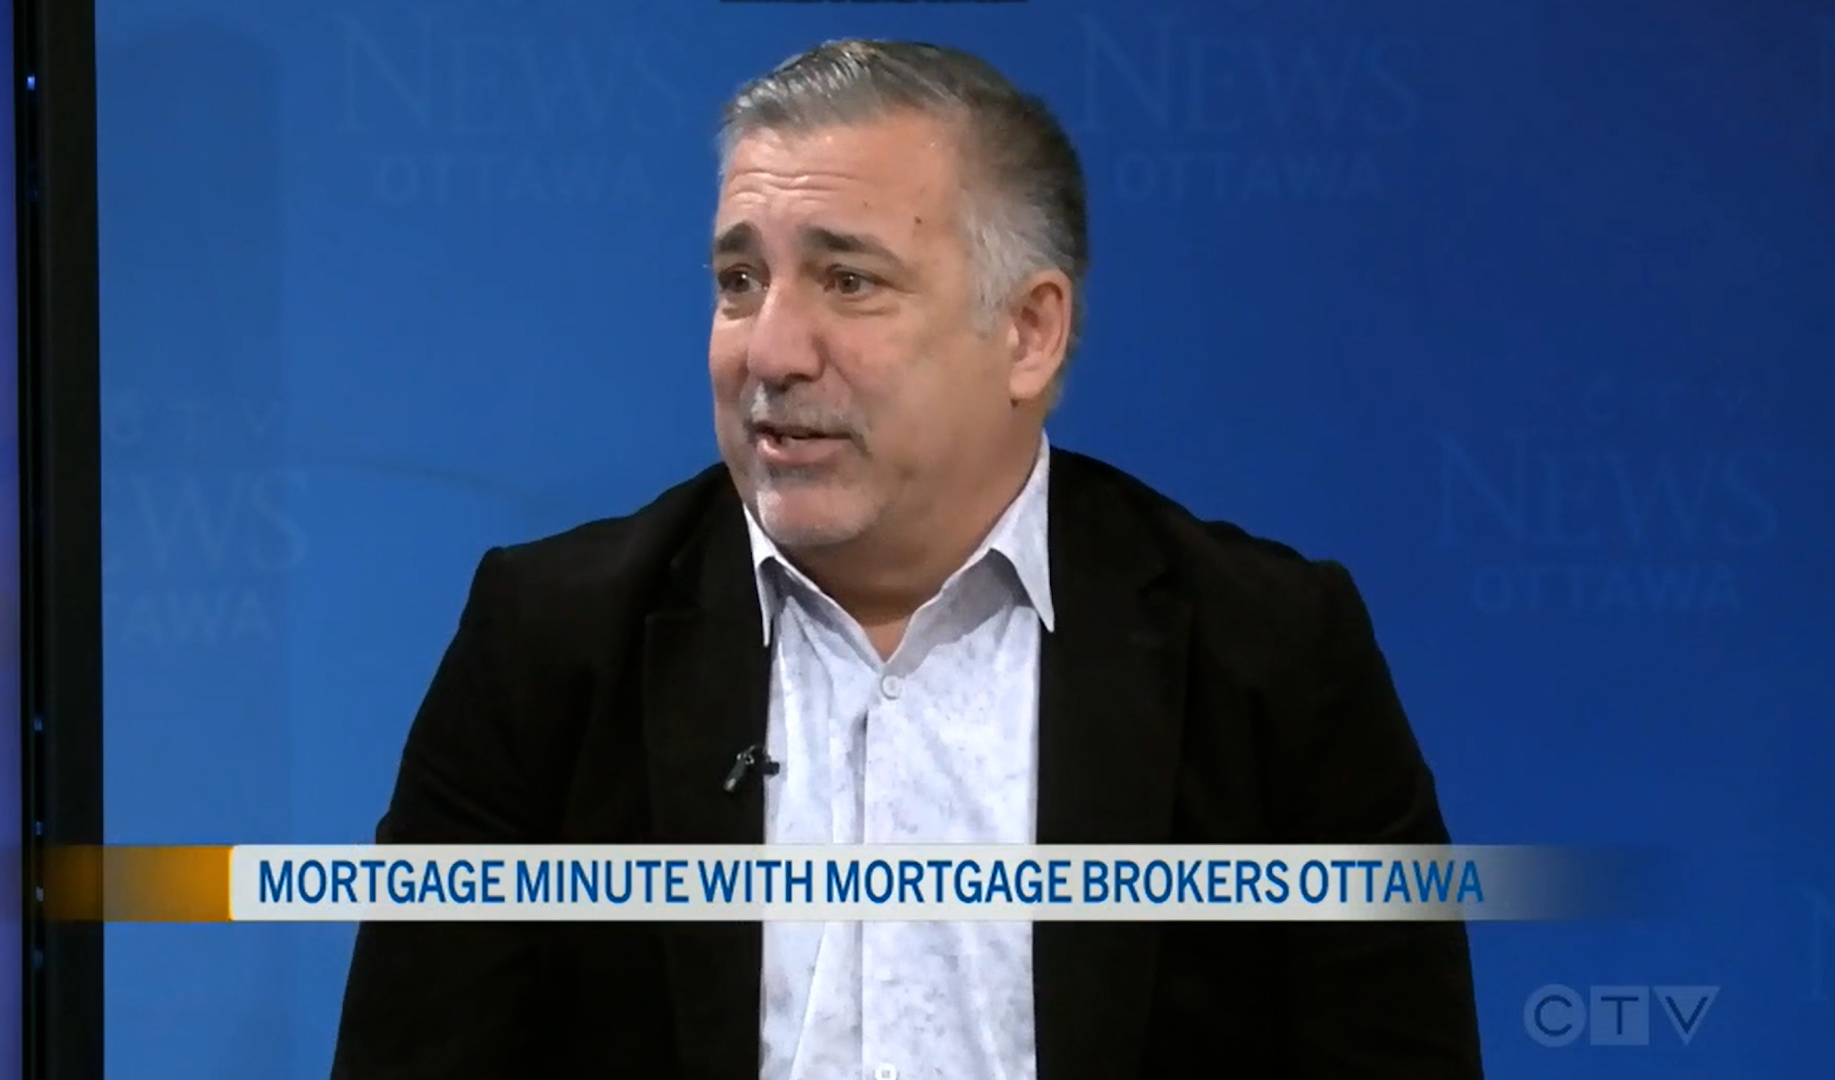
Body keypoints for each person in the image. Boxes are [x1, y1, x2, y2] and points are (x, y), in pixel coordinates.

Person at [331, 38, 1484, 1080]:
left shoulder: (1270, 654)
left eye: (849, 281)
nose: (771, 351)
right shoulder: (549, 645)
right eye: (740, 281)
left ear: (1029, 332)